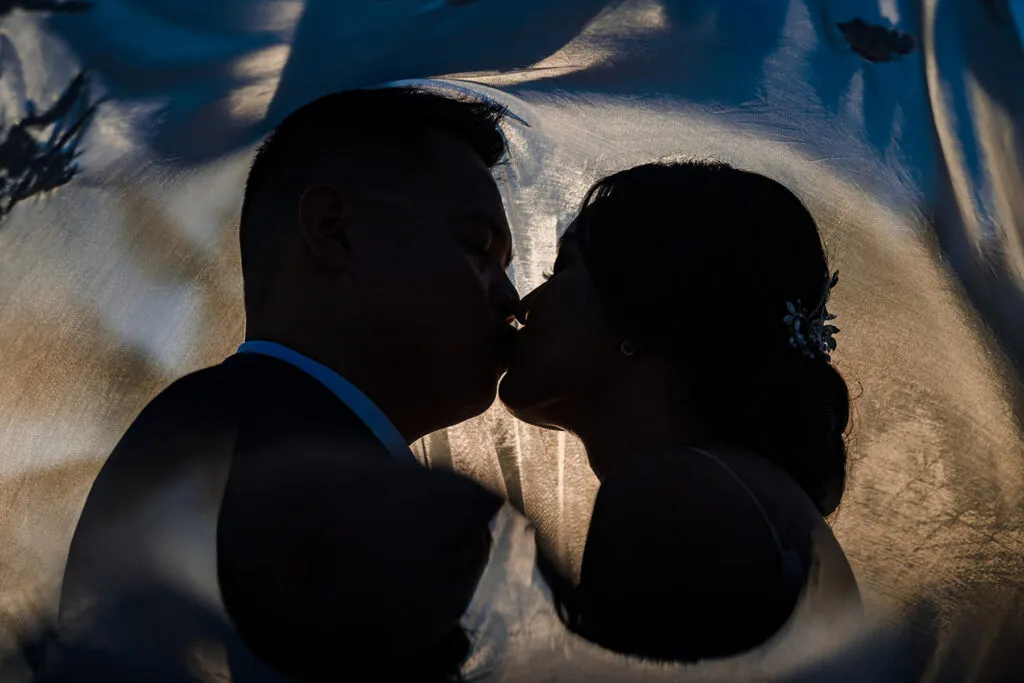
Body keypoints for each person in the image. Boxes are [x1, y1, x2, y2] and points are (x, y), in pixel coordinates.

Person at [53, 87, 519, 682]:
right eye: (479, 249)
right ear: (333, 230)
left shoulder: (228, 425)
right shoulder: (291, 465)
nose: (511, 298)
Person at [499, 160, 861, 662]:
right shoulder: (734, 490)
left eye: (560, 271)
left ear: (642, 311)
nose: (523, 305)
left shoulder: (676, 496)